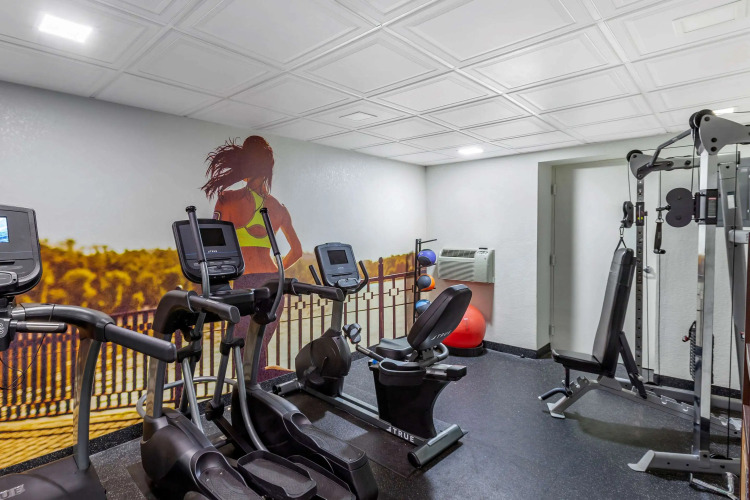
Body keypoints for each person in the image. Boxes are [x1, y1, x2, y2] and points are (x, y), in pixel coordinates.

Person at [202, 135, 302, 380]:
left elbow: (213, 246)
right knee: (256, 358)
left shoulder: (227, 199)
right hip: (274, 285)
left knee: (246, 363)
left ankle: (296, 380)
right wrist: (276, 274)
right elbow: (297, 251)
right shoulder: (279, 208)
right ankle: (294, 382)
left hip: (245, 284)